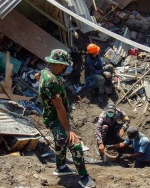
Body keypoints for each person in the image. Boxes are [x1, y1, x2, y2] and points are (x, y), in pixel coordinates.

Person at [36, 49, 96, 188]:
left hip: (50, 114)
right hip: (55, 117)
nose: (64, 68)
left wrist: (44, 96)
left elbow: (36, 76)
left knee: (60, 140)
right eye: (63, 65)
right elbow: (59, 107)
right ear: (58, 64)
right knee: (74, 142)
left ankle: (61, 167)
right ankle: (83, 177)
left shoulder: (45, 72)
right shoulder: (51, 81)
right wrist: (68, 129)